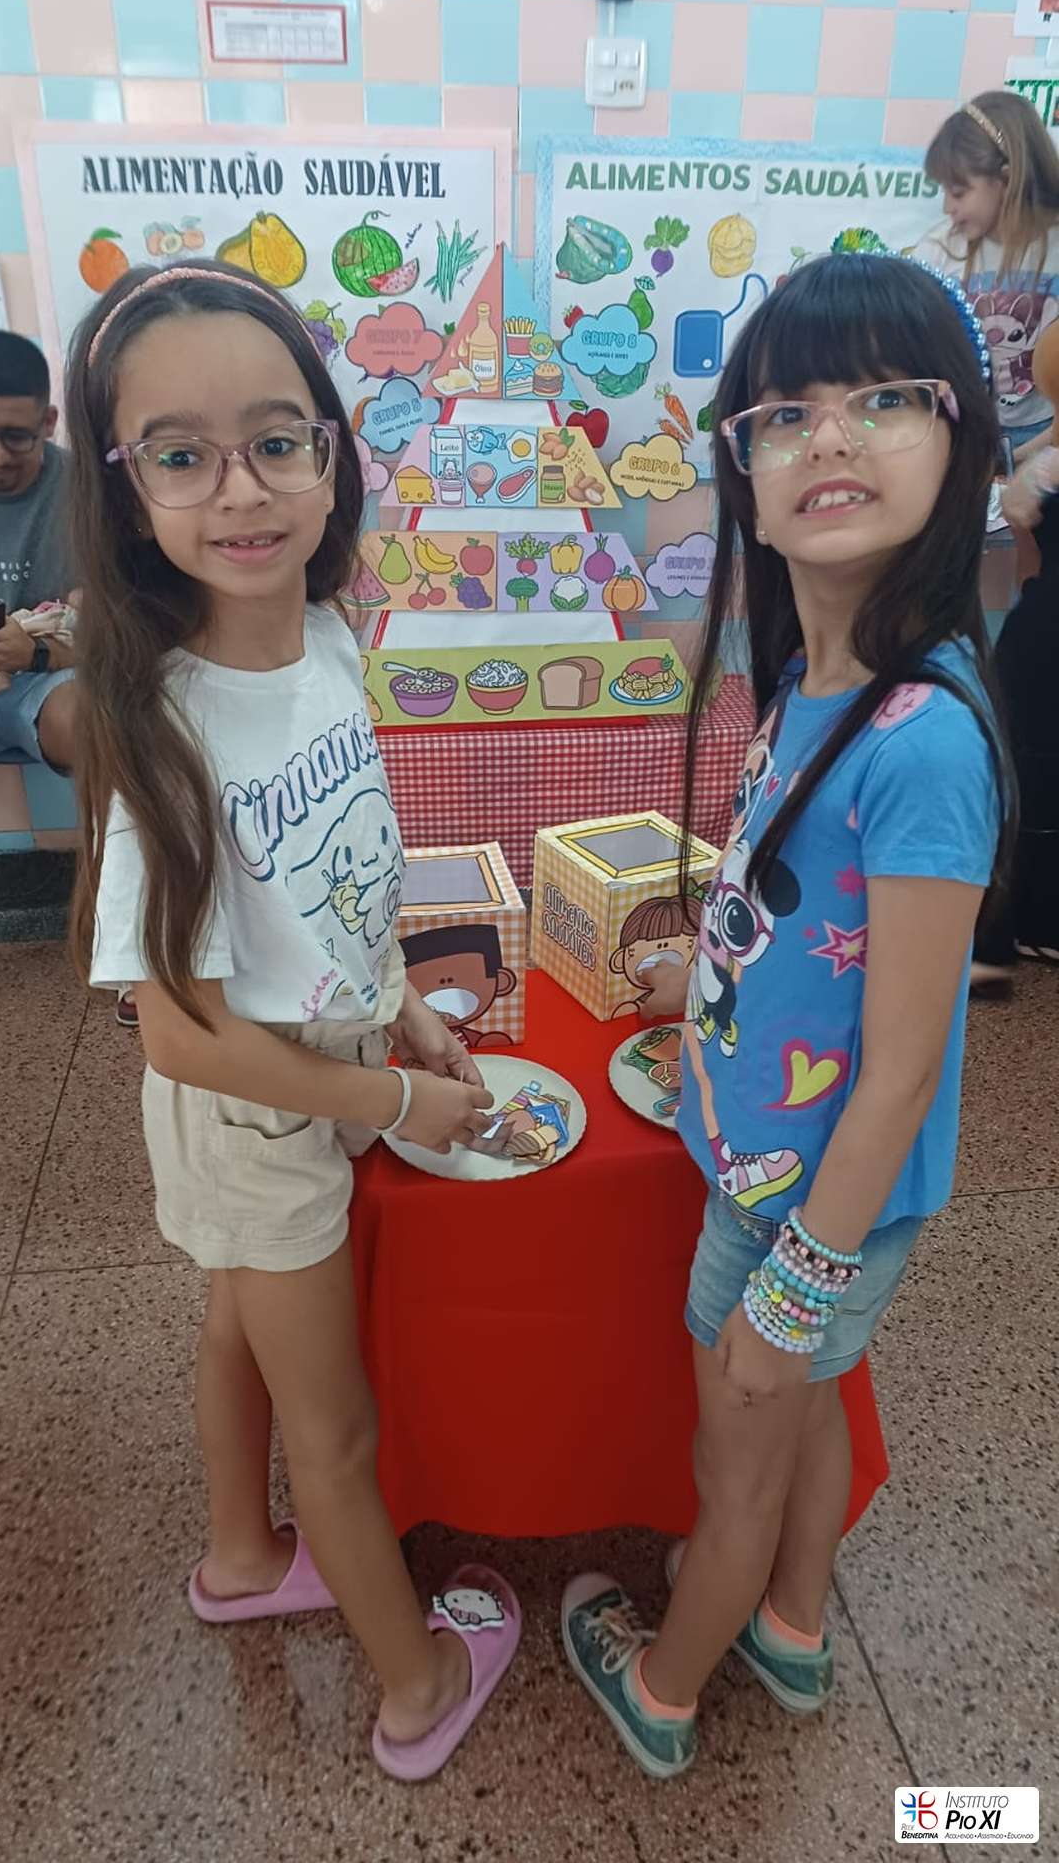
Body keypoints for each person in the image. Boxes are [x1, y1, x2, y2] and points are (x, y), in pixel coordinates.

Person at [65, 259, 519, 1782]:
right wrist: (390, 1103)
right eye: (181, 455)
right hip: (257, 1107)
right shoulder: (166, 729)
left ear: (331, 452)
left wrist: (396, 1011)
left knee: (234, 1322)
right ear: (125, 489)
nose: (242, 489)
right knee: (334, 1430)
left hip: (319, 1063)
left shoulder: (324, 634)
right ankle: (415, 1683)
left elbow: (335, 876)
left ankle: (243, 1557)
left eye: (277, 440)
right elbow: (177, 1035)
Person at [558, 254, 1010, 1778]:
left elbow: (905, 1068)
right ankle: (797, 1631)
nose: (832, 435)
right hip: (768, 1156)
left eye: (886, 398)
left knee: (734, 1457)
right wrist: (708, 981)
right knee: (804, 1418)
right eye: (788, 411)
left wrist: (799, 1282)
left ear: (962, 445)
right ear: (743, 472)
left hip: (805, 1205)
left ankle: (663, 1688)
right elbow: (814, 925)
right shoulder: (812, 680)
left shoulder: (924, 740)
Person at [971, 318, 1059, 987]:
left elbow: (1030, 564)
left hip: (1040, 631)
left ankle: (1015, 928)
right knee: (1028, 778)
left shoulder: (1042, 463)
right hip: (1043, 639)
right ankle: (1027, 925)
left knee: (1025, 779)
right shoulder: (1044, 462)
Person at [919, 90, 1059, 463]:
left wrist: (1023, 459)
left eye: (958, 192)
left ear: (1007, 180)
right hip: (968, 429)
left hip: (1048, 437)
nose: (947, 207)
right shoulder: (938, 250)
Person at [0, 332, 75, 768]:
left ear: (48, 422)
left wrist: (35, 653)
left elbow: (125, 639)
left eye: (17, 437)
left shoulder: (89, 493)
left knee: (98, 725)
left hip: (52, 678)